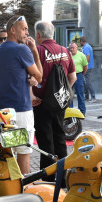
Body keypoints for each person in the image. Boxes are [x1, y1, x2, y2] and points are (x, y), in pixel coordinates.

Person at [0, 14, 43, 174]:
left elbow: (11, 74)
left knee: (7, 153)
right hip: (20, 110)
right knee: (23, 151)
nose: (27, 32)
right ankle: (23, 190)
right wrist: (34, 51)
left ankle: (9, 190)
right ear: (12, 30)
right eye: (24, 29)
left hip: (2, 111)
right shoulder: (22, 49)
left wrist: (28, 78)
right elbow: (40, 75)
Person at [33, 21, 76, 172]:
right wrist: (64, 93)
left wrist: (32, 95)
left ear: (38, 34)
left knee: (45, 141)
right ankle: (63, 175)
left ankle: (49, 177)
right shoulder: (65, 50)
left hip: (41, 102)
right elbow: (73, 77)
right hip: (60, 102)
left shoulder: (37, 51)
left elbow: (29, 77)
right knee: (60, 137)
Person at [69, 42, 87, 115]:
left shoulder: (82, 55)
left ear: (77, 48)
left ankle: (82, 111)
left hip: (78, 75)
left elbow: (85, 66)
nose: (72, 49)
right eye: (71, 48)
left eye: (73, 48)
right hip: (70, 75)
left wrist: (82, 74)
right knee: (70, 94)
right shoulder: (68, 55)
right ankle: (70, 110)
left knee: (80, 93)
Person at [79, 36, 96, 102]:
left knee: (87, 82)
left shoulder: (86, 47)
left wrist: (84, 66)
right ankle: (87, 96)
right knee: (85, 82)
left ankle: (93, 96)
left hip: (87, 67)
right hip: (89, 66)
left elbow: (87, 57)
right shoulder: (88, 46)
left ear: (81, 41)